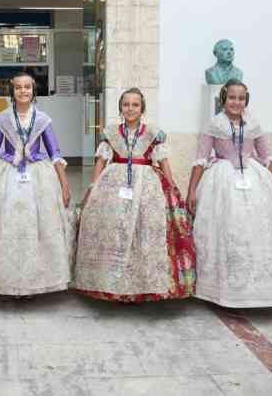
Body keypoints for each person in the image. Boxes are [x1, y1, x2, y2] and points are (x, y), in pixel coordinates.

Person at [186, 79, 272, 307]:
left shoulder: (253, 125)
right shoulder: (214, 124)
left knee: (257, 229)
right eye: (231, 98)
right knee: (229, 228)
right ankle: (224, 285)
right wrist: (191, 191)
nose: (236, 102)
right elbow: (200, 158)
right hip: (222, 180)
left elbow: (267, 157)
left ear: (245, 100)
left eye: (240, 98)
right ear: (223, 99)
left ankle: (263, 284)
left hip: (253, 177)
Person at [74, 88, 195, 303]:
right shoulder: (110, 132)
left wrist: (173, 187)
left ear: (142, 109)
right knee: (114, 227)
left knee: (145, 228)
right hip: (114, 182)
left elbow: (163, 162)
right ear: (120, 108)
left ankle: (145, 283)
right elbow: (101, 161)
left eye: (135, 105)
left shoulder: (153, 133)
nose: (130, 108)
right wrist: (94, 186)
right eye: (126, 104)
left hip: (147, 186)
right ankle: (111, 282)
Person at [0, 73, 75, 297]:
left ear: (33, 90)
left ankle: (35, 281)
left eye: (27, 87)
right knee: (6, 226)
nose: (23, 91)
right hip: (6, 175)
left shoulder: (43, 119)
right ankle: (6, 280)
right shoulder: (3, 118)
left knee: (38, 227)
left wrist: (64, 184)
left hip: (38, 176)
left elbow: (55, 153)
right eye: (18, 88)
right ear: (12, 90)